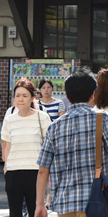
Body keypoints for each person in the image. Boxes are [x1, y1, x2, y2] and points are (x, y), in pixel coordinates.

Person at [34, 67, 108, 217]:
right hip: (95, 201)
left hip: (64, 204)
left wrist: (40, 204)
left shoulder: (55, 126)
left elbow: (43, 169)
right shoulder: (102, 118)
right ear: (93, 94)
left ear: (67, 97)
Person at [1, 78, 51, 217]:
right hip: (13, 172)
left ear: (32, 98)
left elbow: (49, 147)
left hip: (35, 173)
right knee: (15, 214)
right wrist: (6, 166)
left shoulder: (43, 118)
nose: (21, 99)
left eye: (25, 96)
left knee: (35, 212)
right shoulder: (10, 119)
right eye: (17, 96)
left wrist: (49, 174)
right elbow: (6, 145)